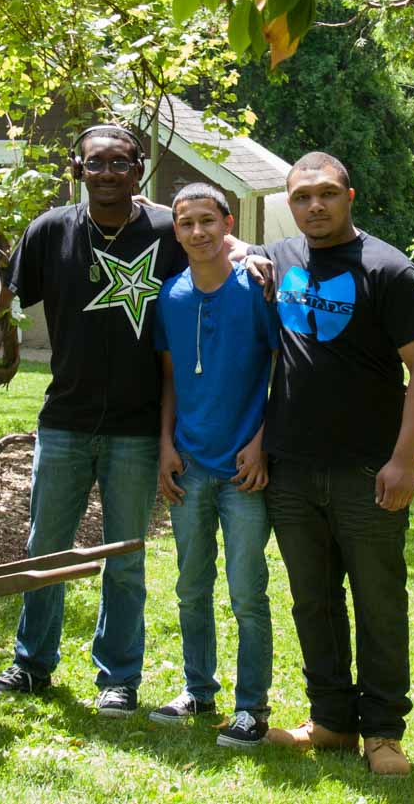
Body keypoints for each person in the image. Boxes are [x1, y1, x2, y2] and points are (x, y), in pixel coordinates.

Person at [0, 124, 191, 717]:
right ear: (77, 168)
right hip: (66, 422)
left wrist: (255, 261)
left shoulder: (165, 231)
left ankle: (119, 677)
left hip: (136, 424)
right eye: (95, 162)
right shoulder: (52, 231)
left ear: (138, 170)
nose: (107, 173)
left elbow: (218, 254)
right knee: (45, 548)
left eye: (120, 163)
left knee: (122, 556)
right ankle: (31, 665)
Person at [245, 151, 414, 776]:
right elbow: (203, 231)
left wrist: (403, 461)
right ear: (289, 202)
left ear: (349, 196)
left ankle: (383, 730)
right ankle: (330, 721)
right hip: (292, 471)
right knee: (313, 600)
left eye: (326, 194)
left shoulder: (388, 269)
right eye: (302, 197)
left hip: (368, 472)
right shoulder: (277, 261)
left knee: (379, 601)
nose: (315, 206)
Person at [149, 184, 278, 748]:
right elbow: (171, 377)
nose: (198, 232)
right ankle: (198, 688)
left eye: (208, 221)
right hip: (190, 464)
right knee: (191, 584)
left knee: (247, 590)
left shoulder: (255, 288)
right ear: (175, 231)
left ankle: (252, 707)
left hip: (244, 468)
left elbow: (285, 368)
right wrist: (165, 444)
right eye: (186, 223)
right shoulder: (170, 296)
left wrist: (263, 440)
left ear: (228, 223)